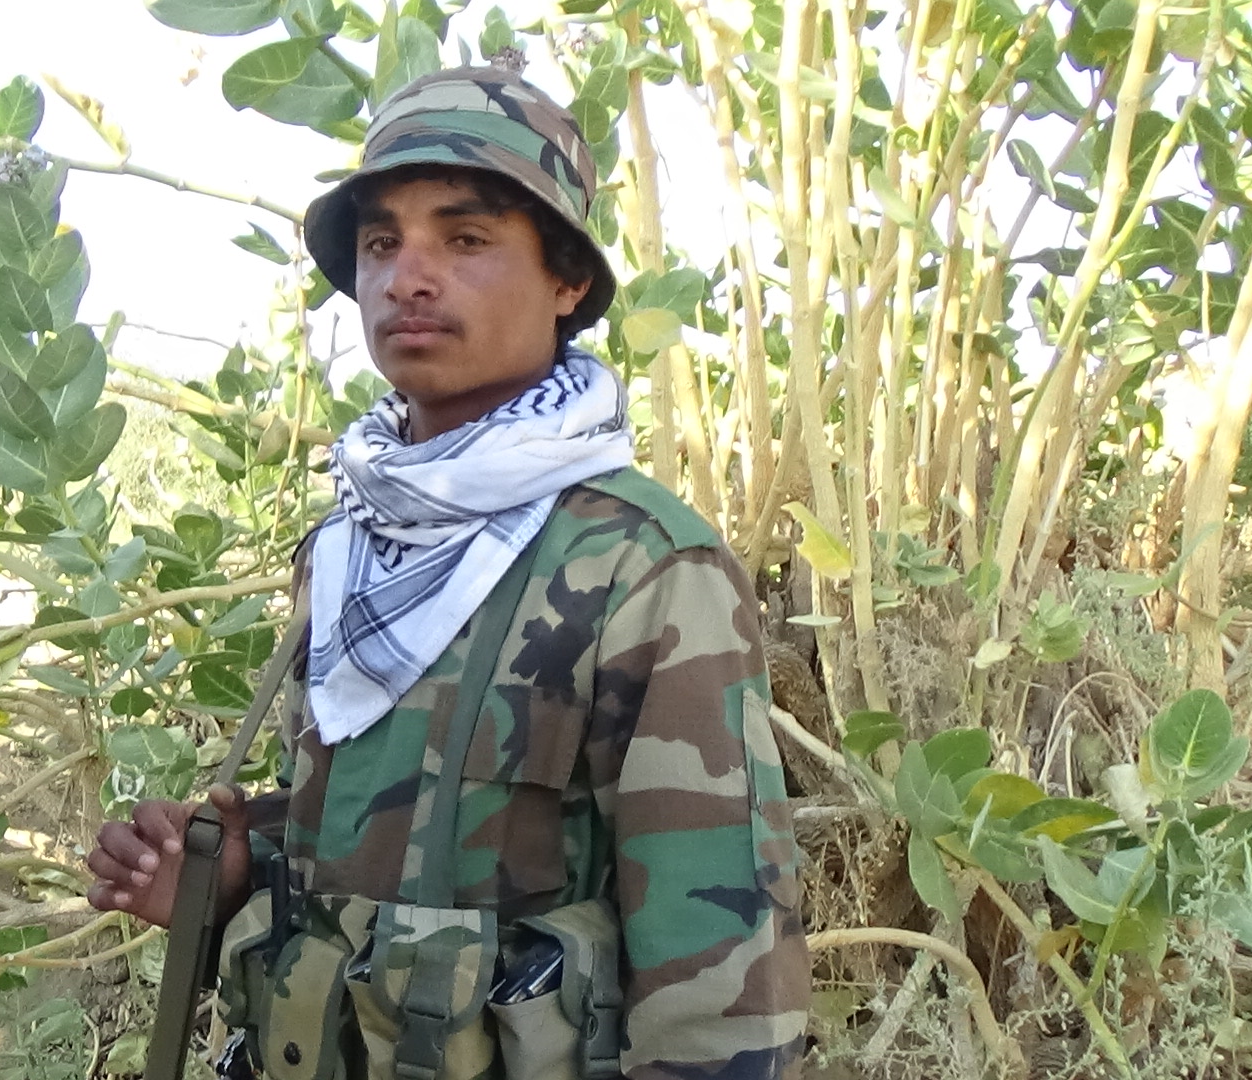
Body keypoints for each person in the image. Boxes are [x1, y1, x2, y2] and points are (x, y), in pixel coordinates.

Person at [87, 63, 809, 1080]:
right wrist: (232, 880)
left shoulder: (644, 567)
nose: (407, 278)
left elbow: (719, 983)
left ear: (567, 280)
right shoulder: (344, 547)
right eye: (382, 243)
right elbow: (351, 873)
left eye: (465, 239)